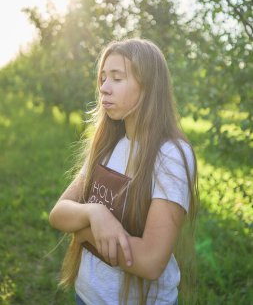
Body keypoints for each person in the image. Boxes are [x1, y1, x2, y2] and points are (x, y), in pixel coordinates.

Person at [49, 38, 199, 305]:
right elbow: (59, 213)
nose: (104, 88)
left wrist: (82, 232)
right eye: (103, 78)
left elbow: (151, 261)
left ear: (148, 87)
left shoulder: (170, 155)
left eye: (116, 78)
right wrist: (95, 213)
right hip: (86, 295)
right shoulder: (108, 145)